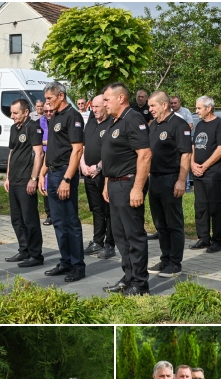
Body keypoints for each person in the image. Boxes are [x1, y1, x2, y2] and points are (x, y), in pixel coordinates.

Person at [100, 82, 152, 295]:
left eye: (107, 99)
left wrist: (138, 188)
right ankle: (128, 277)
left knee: (134, 236)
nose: (104, 104)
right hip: (114, 184)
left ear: (121, 98)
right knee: (120, 236)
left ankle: (140, 283)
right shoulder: (116, 121)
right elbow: (113, 157)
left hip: (128, 184)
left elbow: (145, 155)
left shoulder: (132, 118)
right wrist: (106, 183)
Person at [39, 81, 87, 282]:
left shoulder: (73, 116)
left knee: (70, 221)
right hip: (53, 172)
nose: (46, 104)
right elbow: (52, 148)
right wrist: (42, 172)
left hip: (65, 174)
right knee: (58, 221)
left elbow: (77, 150)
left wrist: (67, 179)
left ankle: (77, 266)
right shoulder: (55, 117)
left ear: (61, 95)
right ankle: (65, 261)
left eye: (49, 99)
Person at [144, 91, 191, 278]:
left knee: (173, 223)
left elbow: (186, 154)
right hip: (154, 179)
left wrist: (181, 180)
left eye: (153, 106)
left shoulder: (179, 125)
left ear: (164, 105)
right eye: (149, 106)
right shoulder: (153, 126)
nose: (150, 110)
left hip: (171, 178)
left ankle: (175, 263)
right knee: (160, 224)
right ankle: (165, 259)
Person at [4, 97, 45, 267]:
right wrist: (7, 177)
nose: (12, 116)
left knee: (30, 219)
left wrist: (34, 179)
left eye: (15, 113)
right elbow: (11, 153)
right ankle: (24, 250)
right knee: (17, 219)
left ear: (26, 112)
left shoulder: (33, 128)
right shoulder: (15, 128)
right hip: (14, 180)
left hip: (26, 180)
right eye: (11, 113)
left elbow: (39, 154)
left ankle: (36, 255)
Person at [191, 95, 221, 252]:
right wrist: (192, 163)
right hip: (198, 173)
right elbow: (193, 145)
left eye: (199, 108)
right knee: (200, 206)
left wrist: (205, 166)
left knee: (214, 207)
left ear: (209, 108)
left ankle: (217, 240)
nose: (197, 111)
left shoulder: (220, 125)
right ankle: (203, 238)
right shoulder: (199, 125)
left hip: (213, 173)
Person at [82, 92, 116, 260]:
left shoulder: (111, 124)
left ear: (105, 106)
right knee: (96, 209)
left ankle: (110, 244)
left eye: (97, 106)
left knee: (108, 210)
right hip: (88, 173)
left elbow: (112, 151)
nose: (94, 110)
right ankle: (97, 240)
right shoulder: (90, 123)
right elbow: (83, 146)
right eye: (92, 107)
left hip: (104, 174)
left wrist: (98, 167)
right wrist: (83, 165)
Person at [39, 103, 54, 226]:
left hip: (55, 156)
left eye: (51, 111)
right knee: (44, 184)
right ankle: (49, 214)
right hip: (43, 155)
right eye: (46, 111)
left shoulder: (58, 120)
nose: (48, 113)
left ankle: (56, 213)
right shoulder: (41, 121)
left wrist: (46, 142)